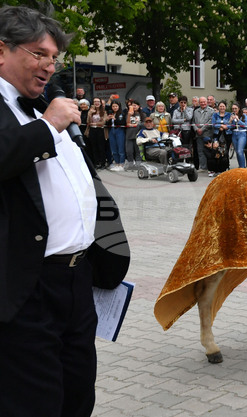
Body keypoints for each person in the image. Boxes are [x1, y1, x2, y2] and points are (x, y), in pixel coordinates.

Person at [0, 6, 130, 416]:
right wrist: (48, 125)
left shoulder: (44, 107)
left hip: (77, 283)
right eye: (39, 54)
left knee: (78, 399)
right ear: (2, 51)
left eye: (53, 58)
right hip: (24, 288)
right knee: (34, 403)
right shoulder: (45, 117)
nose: (49, 66)